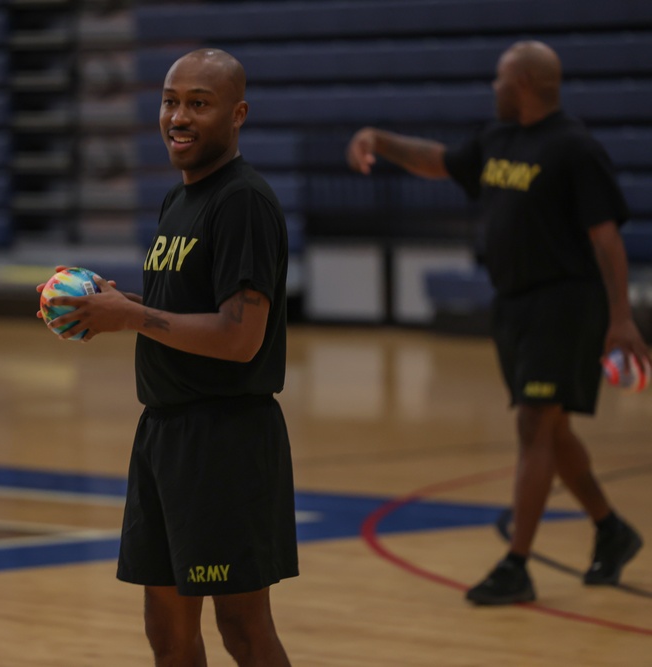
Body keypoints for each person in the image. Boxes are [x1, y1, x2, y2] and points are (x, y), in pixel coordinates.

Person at [346, 41, 647, 605]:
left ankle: (517, 565)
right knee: (552, 433)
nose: (493, 87)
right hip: (513, 307)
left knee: (535, 425)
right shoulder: (498, 139)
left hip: (564, 303)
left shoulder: (574, 149)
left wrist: (622, 317)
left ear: (526, 84)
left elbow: (605, 239)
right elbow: (438, 161)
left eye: (501, 79)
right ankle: (611, 529)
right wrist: (381, 141)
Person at [39, 49, 298, 665]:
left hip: (224, 439)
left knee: (242, 626)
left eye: (198, 104)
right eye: (170, 101)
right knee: (166, 630)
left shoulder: (243, 201)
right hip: (163, 434)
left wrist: (131, 317)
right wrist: (117, 305)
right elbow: (185, 309)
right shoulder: (176, 203)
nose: (178, 116)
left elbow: (241, 338)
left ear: (237, 115)